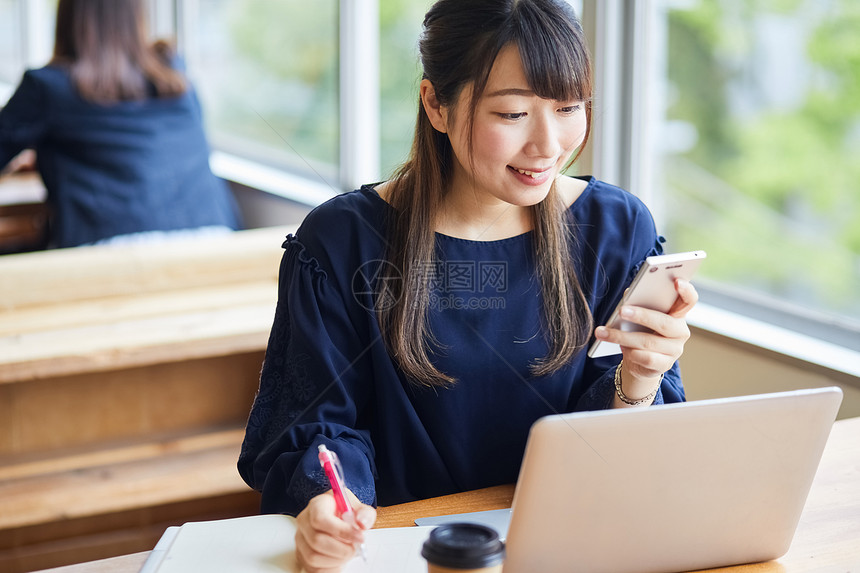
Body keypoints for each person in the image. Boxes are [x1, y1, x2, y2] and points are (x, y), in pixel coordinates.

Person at [238, 0, 698, 571]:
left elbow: (623, 457)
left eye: (569, 107)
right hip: (401, 551)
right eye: (511, 114)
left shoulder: (616, 229)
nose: (549, 145)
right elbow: (319, 427)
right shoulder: (343, 241)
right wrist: (332, 505)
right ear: (435, 103)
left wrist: (639, 381)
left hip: (572, 547)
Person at [0, 0, 240, 248]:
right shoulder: (174, 71)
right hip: (215, 242)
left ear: (68, 16)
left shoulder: (46, 86)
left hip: (109, 253)